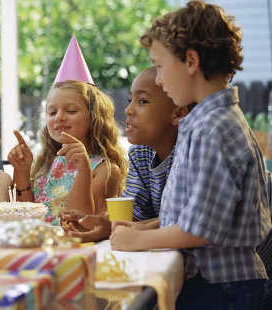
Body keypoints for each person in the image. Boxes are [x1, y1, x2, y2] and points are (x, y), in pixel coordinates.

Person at [110, 2, 272, 309]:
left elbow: (199, 229)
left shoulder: (214, 129)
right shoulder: (206, 123)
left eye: (160, 66)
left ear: (191, 61)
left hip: (224, 289)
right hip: (219, 286)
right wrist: (144, 227)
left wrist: (138, 241)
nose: (158, 79)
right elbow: (196, 213)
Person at [61, 67, 190, 241]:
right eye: (130, 100)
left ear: (178, 113)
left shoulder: (190, 153)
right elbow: (135, 214)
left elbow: (186, 220)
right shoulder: (141, 154)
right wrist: (102, 223)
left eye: (143, 101)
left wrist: (120, 228)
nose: (128, 110)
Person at [9, 80, 126, 225]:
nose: (59, 117)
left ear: (94, 118)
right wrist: (22, 171)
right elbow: (24, 218)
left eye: (71, 110)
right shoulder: (46, 163)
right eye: (52, 112)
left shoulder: (105, 170)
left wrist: (83, 170)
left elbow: (79, 223)